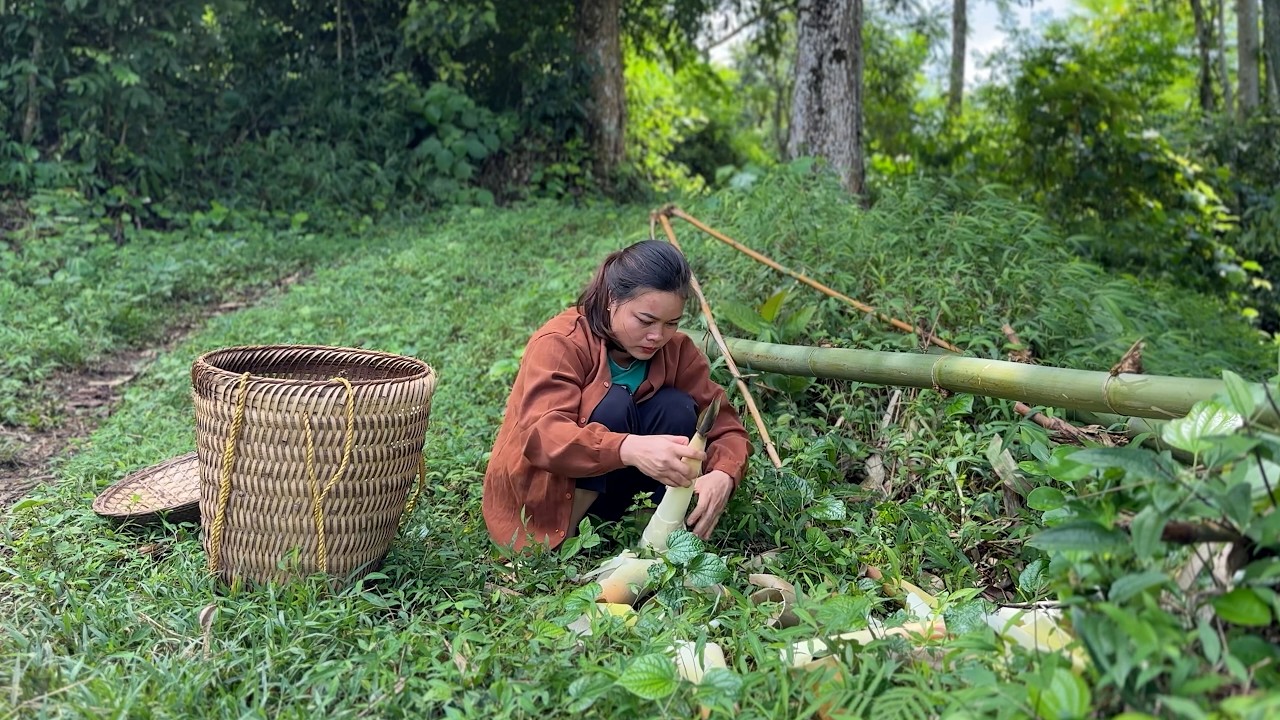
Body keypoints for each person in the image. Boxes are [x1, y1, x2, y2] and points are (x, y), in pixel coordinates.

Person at [483, 240, 752, 551]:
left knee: (676, 407)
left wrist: (723, 475)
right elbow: (542, 436)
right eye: (645, 320)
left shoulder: (677, 351)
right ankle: (564, 543)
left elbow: (726, 427)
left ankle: (650, 534)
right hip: (555, 495)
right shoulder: (560, 342)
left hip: (619, 488)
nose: (657, 336)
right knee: (613, 404)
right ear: (612, 299)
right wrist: (628, 448)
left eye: (671, 324)